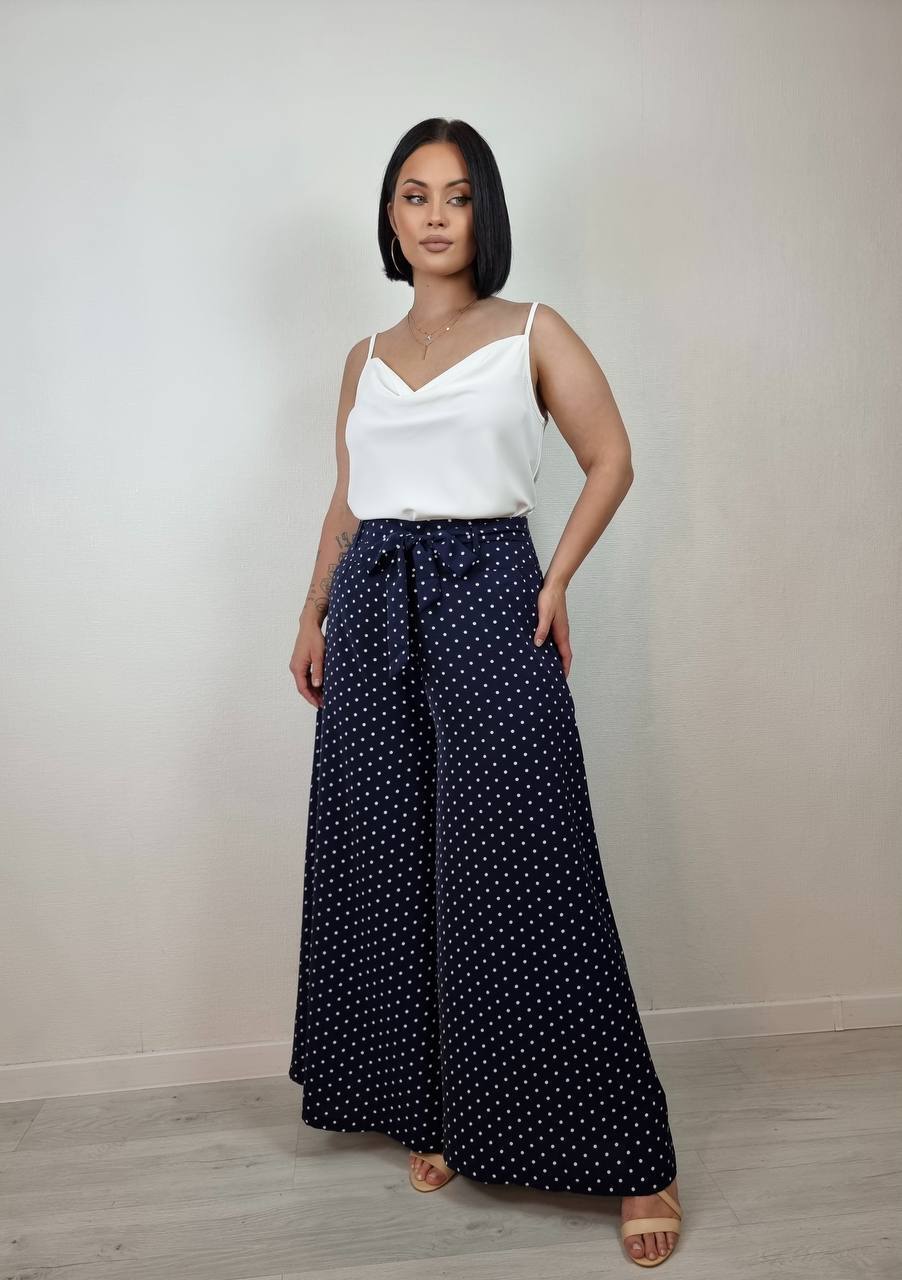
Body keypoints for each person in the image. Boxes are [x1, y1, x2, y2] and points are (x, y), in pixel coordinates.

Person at [288, 117, 682, 1268]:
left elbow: (611, 456)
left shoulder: (531, 331)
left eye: (455, 195)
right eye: (413, 194)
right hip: (372, 604)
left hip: (487, 592)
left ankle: (634, 1155)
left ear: (483, 213)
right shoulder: (363, 355)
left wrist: (552, 580)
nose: (433, 215)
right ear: (390, 214)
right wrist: (310, 611)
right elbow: (350, 498)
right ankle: (437, 1111)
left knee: (529, 861)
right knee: (389, 862)